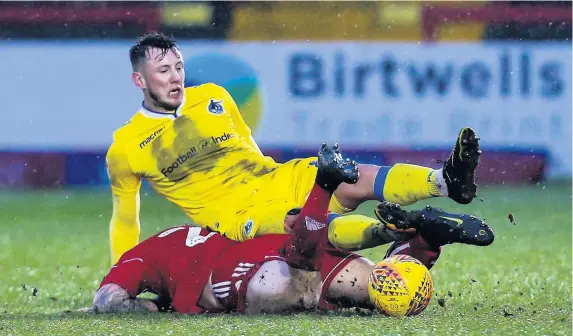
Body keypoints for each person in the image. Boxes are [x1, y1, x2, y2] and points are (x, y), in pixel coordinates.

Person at [106, 32, 482, 264]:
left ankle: (445, 182)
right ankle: (399, 230)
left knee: (351, 178)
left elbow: (247, 145)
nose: (176, 78)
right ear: (139, 79)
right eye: (163, 71)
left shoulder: (213, 97)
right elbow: (126, 219)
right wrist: (121, 274)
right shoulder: (126, 147)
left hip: (273, 176)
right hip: (238, 211)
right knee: (301, 223)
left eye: (179, 66)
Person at [89, 144, 494, 314]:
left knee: (294, 286)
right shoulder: (209, 231)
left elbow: (107, 299)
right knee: (386, 288)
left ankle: (330, 188)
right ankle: (420, 236)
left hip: (244, 274)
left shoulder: (141, 256)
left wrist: (148, 307)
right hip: (273, 238)